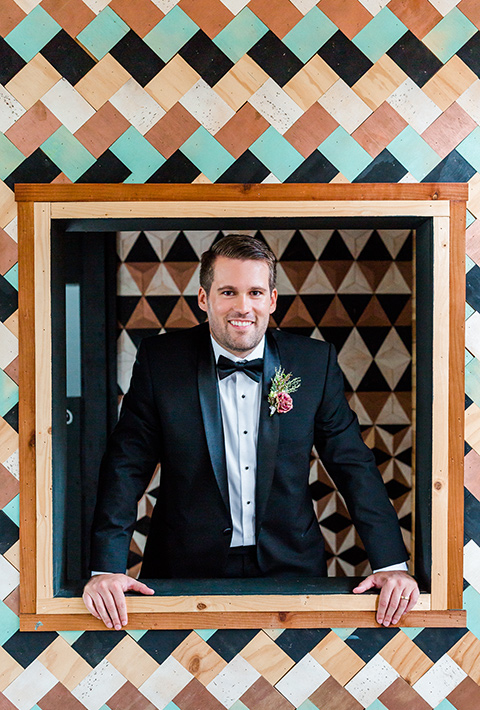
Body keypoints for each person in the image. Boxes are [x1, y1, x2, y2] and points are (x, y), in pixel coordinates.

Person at [83, 235, 419, 629]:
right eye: (228, 292)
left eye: (255, 292)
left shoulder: (312, 363)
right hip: (182, 566)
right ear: (204, 298)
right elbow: (128, 464)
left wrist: (392, 564)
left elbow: (352, 464)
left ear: (272, 300)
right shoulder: (161, 361)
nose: (243, 307)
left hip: (292, 566)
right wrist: (104, 568)